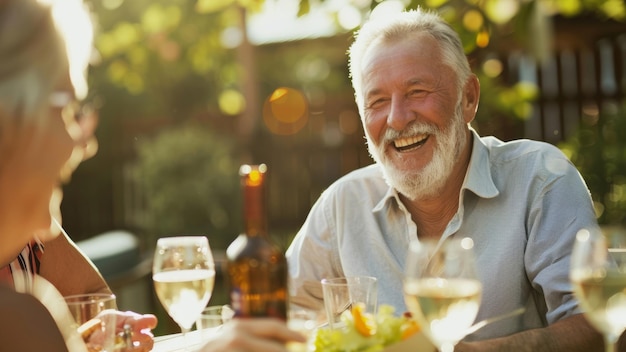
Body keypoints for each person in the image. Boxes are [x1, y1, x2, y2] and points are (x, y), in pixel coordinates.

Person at [286, 8, 616, 351]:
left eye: (417, 91)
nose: (397, 119)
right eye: (378, 101)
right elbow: (276, 321)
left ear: (468, 98)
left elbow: (594, 324)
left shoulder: (540, 178)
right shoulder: (342, 204)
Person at [0, 0, 157, 350]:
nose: (81, 144)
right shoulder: (18, 319)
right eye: (67, 110)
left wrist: (79, 336)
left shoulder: (32, 244)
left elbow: (93, 297)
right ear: (11, 117)